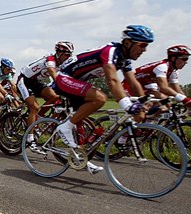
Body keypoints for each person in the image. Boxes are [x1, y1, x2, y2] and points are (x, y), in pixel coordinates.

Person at [53, 25, 154, 175]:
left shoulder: (125, 60)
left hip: (79, 81)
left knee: (82, 125)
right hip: (65, 78)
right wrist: (127, 105)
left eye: (146, 46)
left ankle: (81, 158)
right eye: (142, 45)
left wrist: (143, 102)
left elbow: (133, 82)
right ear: (128, 43)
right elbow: (112, 80)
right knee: (100, 98)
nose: (144, 50)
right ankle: (64, 127)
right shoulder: (111, 51)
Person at [18, 41, 74, 149]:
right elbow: (53, 73)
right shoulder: (50, 60)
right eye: (67, 54)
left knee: (54, 97)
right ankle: (30, 137)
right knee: (34, 107)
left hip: (36, 83)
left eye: (70, 55)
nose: (68, 57)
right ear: (59, 53)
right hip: (24, 80)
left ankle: (38, 119)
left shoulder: (63, 64)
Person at [125, 44, 191, 107]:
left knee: (165, 104)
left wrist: (187, 102)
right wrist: (185, 100)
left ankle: (151, 118)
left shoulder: (173, 72)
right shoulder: (162, 67)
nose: (186, 62)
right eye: (184, 59)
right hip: (129, 86)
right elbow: (164, 88)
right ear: (173, 58)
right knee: (147, 107)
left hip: (145, 87)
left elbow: (178, 91)